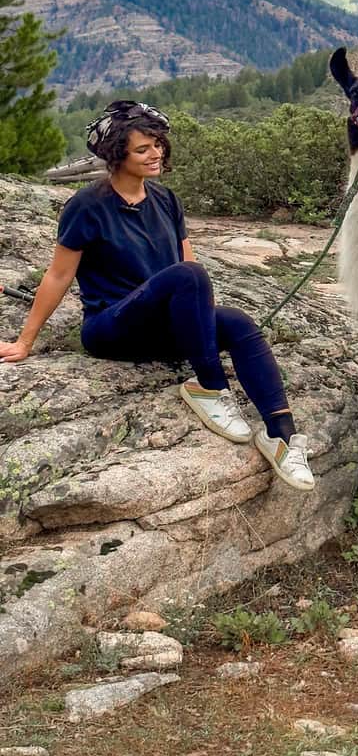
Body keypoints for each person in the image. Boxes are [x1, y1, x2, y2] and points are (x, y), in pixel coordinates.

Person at [0, 100, 314, 492]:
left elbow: (188, 266)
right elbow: (59, 275)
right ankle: (210, 387)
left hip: (164, 327)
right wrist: (24, 341)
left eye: (158, 144)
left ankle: (281, 436)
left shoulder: (165, 200)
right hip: (112, 328)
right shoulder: (87, 207)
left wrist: (202, 328)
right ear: (117, 156)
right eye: (143, 149)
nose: (157, 153)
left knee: (237, 322)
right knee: (189, 274)